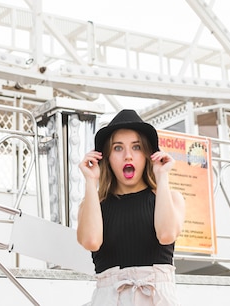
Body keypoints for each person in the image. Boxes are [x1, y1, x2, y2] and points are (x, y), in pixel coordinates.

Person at [77, 109, 186, 305]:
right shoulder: (93, 204)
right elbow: (91, 241)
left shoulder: (171, 198)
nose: (128, 156)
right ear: (107, 157)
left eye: (136, 147)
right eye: (118, 148)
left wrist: (162, 176)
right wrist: (91, 182)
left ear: (147, 155)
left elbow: (167, 234)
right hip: (110, 298)